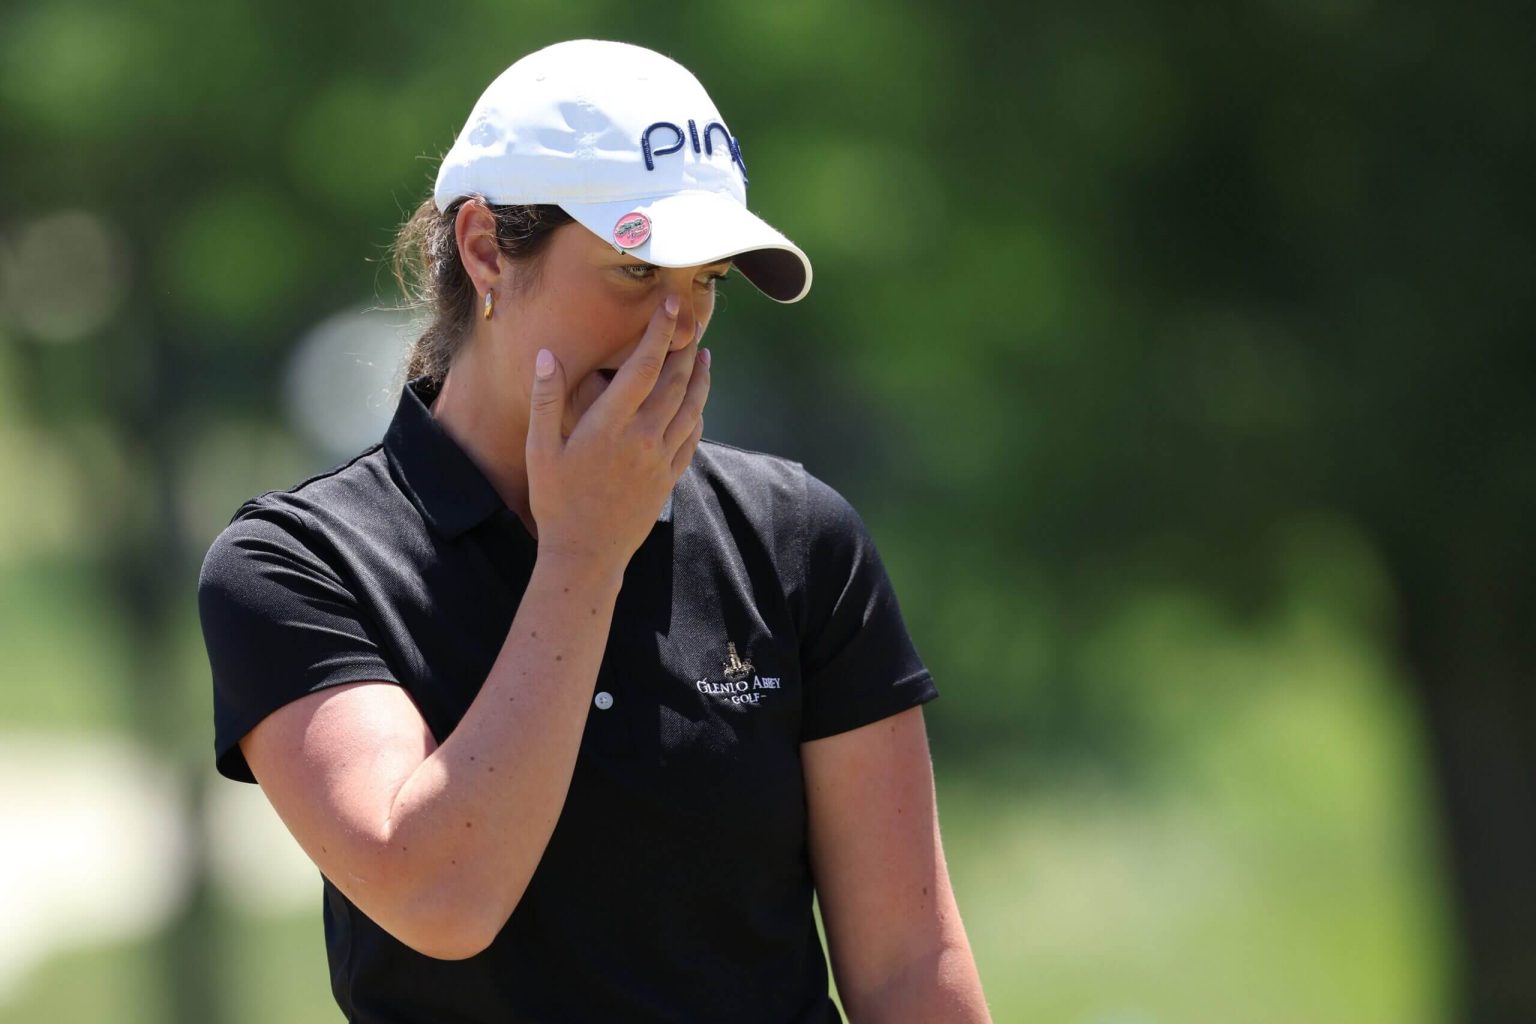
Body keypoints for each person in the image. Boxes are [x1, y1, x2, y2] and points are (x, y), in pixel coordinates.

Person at [197, 39, 990, 1023]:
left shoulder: (796, 538)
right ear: (485, 249)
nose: (677, 325)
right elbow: (441, 896)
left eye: (707, 281)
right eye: (636, 268)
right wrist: (583, 554)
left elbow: (910, 966)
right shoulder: (299, 563)